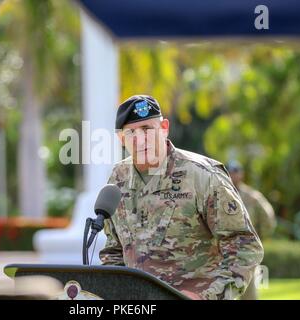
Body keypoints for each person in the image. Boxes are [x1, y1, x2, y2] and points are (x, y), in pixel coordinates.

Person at [99, 94, 264, 300]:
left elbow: (245, 246)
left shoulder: (202, 175)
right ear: (121, 139)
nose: (140, 139)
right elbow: (114, 251)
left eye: (147, 129)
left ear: (164, 128)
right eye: (131, 132)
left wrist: (205, 296)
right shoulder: (118, 178)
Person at [227, 160, 276, 300]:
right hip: (221, 253)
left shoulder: (252, 197)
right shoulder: (218, 193)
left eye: (236, 171)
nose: (232, 174)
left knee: (249, 294)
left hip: (246, 253)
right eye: (229, 171)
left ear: (241, 174)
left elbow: (268, 219)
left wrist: (258, 239)